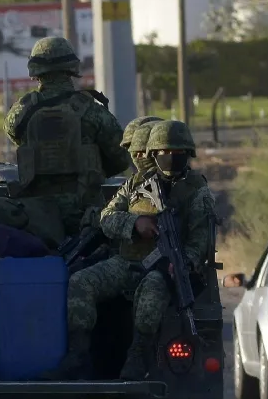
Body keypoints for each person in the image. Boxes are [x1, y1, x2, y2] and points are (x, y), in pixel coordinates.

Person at [57, 120, 218, 380]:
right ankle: (78, 355)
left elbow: (201, 241)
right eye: (166, 153)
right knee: (80, 282)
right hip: (128, 261)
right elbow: (107, 217)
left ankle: (137, 357)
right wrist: (134, 223)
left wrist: (183, 264)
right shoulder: (137, 184)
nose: (172, 159)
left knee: (153, 290)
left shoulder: (197, 191)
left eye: (179, 153)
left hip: (165, 267)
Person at [5, 36, 129, 237]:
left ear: (35, 70)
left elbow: (19, 141)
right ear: (71, 67)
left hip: (37, 215)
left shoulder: (20, 113)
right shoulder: (92, 110)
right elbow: (121, 158)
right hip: (85, 212)